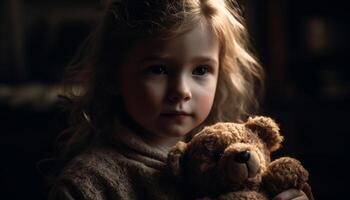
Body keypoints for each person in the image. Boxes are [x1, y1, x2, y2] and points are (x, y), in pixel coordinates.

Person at [47, 0, 314, 199]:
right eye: (158, 69)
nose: (181, 91)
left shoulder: (231, 165)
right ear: (113, 75)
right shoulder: (87, 185)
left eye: (200, 70)